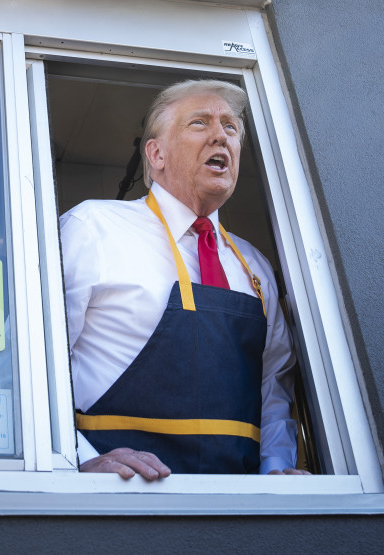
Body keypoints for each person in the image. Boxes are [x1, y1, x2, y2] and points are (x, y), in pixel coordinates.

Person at [59, 79, 310, 479]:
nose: (220, 136)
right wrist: (74, 460)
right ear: (156, 154)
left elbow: (273, 388)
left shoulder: (255, 265)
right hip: (119, 503)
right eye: (199, 123)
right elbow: (34, 364)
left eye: (230, 127)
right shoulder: (94, 228)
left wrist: (276, 472)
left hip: (241, 512)